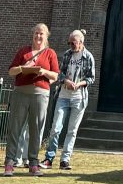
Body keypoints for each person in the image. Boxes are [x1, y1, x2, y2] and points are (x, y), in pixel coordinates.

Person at [3, 23, 59, 176]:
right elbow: (11, 72)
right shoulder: (23, 51)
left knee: (36, 129)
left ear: (46, 36)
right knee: (15, 127)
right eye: (36, 33)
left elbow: (55, 75)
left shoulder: (50, 53)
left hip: (40, 94)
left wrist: (43, 71)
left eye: (41, 34)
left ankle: (33, 163)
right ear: (32, 35)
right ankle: (10, 162)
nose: (38, 36)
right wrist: (23, 67)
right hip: (21, 93)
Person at [40, 29, 95, 170]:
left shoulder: (88, 57)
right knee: (55, 128)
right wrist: (65, 81)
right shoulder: (67, 54)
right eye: (69, 42)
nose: (70, 45)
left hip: (79, 97)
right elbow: (60, 73)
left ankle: (65, 160)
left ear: (81, 42)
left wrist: (79, 84)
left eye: (73, 43)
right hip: (63, 96)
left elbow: (91, 78)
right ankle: (49, 158)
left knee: (72, 130)